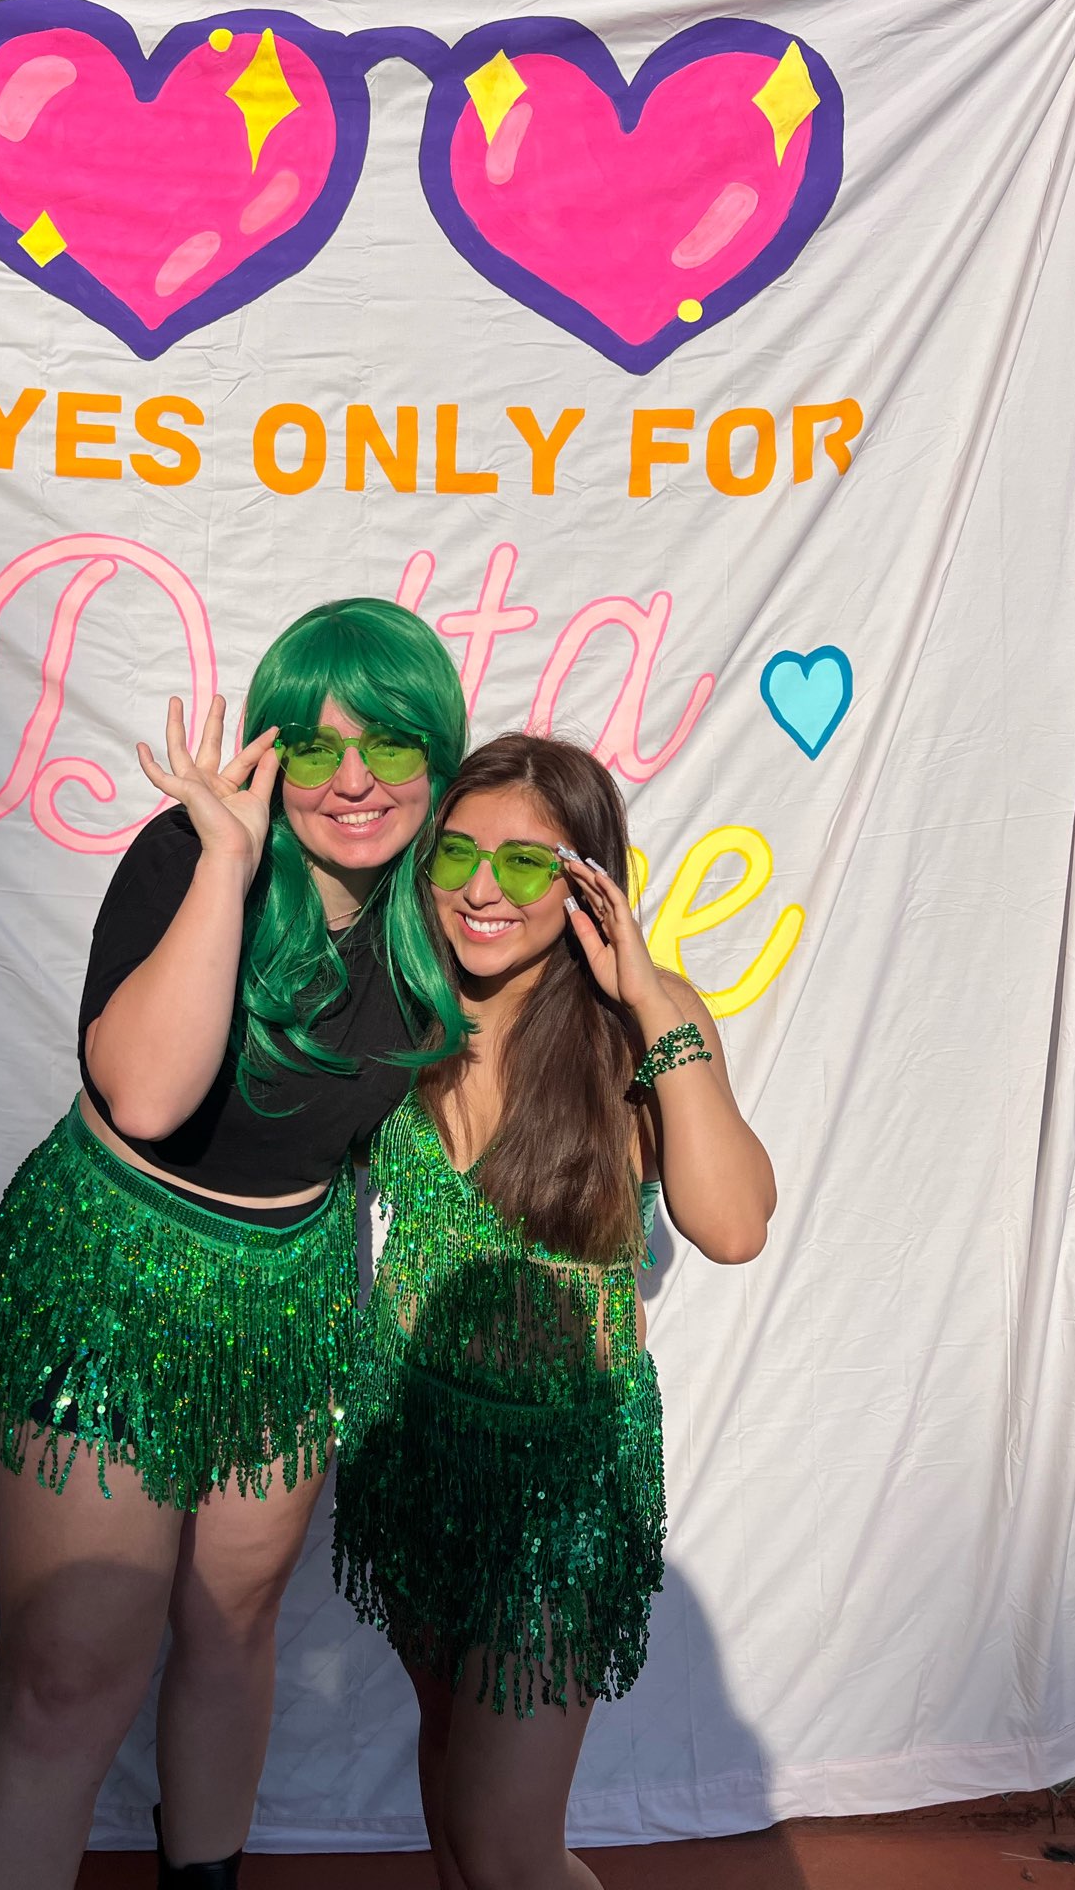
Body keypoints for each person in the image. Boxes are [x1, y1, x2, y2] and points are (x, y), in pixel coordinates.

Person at [0, 599, 470, 1890]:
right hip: (108, 1277)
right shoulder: (192, 849)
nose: (355, 779)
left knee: (233, 1626)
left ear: (439, 756)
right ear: (271, 750)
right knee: (73, 1671)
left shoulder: (438, 916)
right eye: (319, 744)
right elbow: (145, 1096)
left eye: (392, 745)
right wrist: (229, 865)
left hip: (290, 1295)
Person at [333, 733, 776, 1890]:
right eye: (458, 853)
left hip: (565, 1479)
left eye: (526, 862)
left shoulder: (641, 1024)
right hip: (412, 1445)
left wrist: (648, 992)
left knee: (508, 1843)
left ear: (588, 878)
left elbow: (733, 1223)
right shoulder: (408, 1003)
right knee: (449, 1772)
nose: (483, 888)